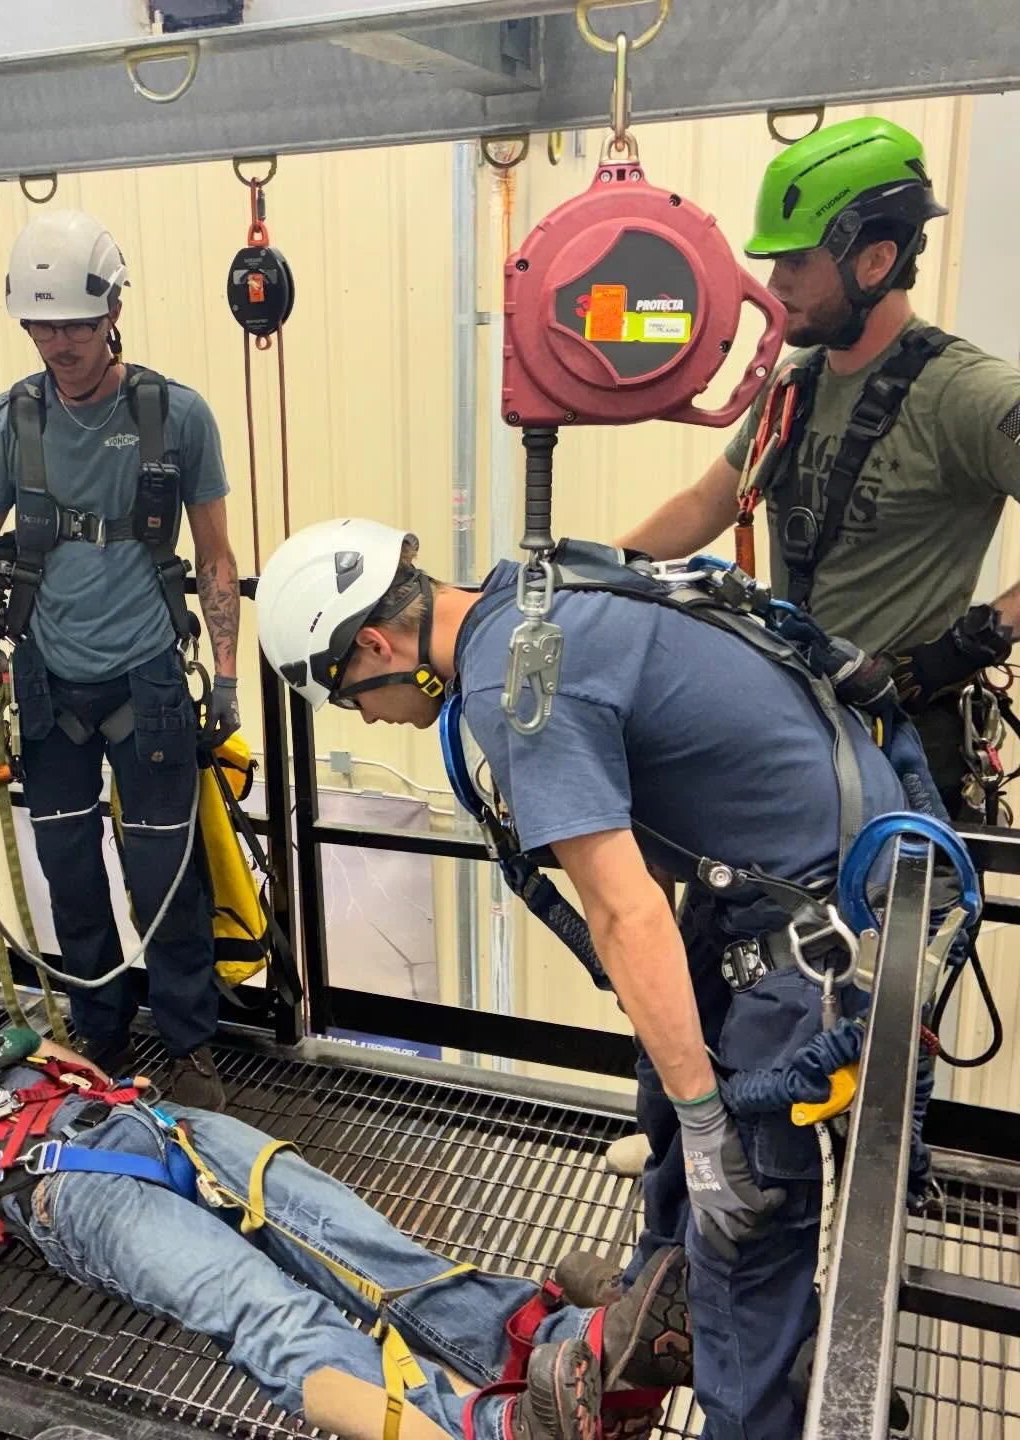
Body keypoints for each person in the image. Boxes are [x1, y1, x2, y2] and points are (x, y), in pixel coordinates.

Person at [253, 516, 955, 1440]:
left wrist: (713, 1133)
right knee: (668, 1083)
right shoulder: (537, 593)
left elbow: (627, 913)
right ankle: (661, 1296)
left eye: (352, 697)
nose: (366, 717)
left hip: (819, 931)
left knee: (742, 1216)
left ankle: (742, 1382)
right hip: (800, 862)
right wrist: (686, 1102)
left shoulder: (516, 686)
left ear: (379, 646)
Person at [0, 1000, 694, 1440]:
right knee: (266, 1310)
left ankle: (567, 1347)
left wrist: (27, 1049)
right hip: (70, 1188)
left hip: (159, 1126)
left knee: (361, 1245)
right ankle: (477, 1431)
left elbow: (81, 1076)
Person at [617, 115, 1020, 820]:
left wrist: (978, 637)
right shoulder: (794, 386)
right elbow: (708, 502)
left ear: (874, 260)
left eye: (796, 262)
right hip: (795, 742)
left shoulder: (966, 394)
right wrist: (590, 571)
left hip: (902, 760)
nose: (774, 285)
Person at [0, 210, 243, 1109]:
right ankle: (99, 1034)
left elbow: (216, 555)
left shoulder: (175, 416)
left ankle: (190, 1044)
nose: (58, 342)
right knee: (68, 868)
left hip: (146, 676)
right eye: (41, 324)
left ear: (112, 311)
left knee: (165, 876)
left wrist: (225, 677)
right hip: (44, 678)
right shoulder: (7, 425)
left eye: (73, 321)